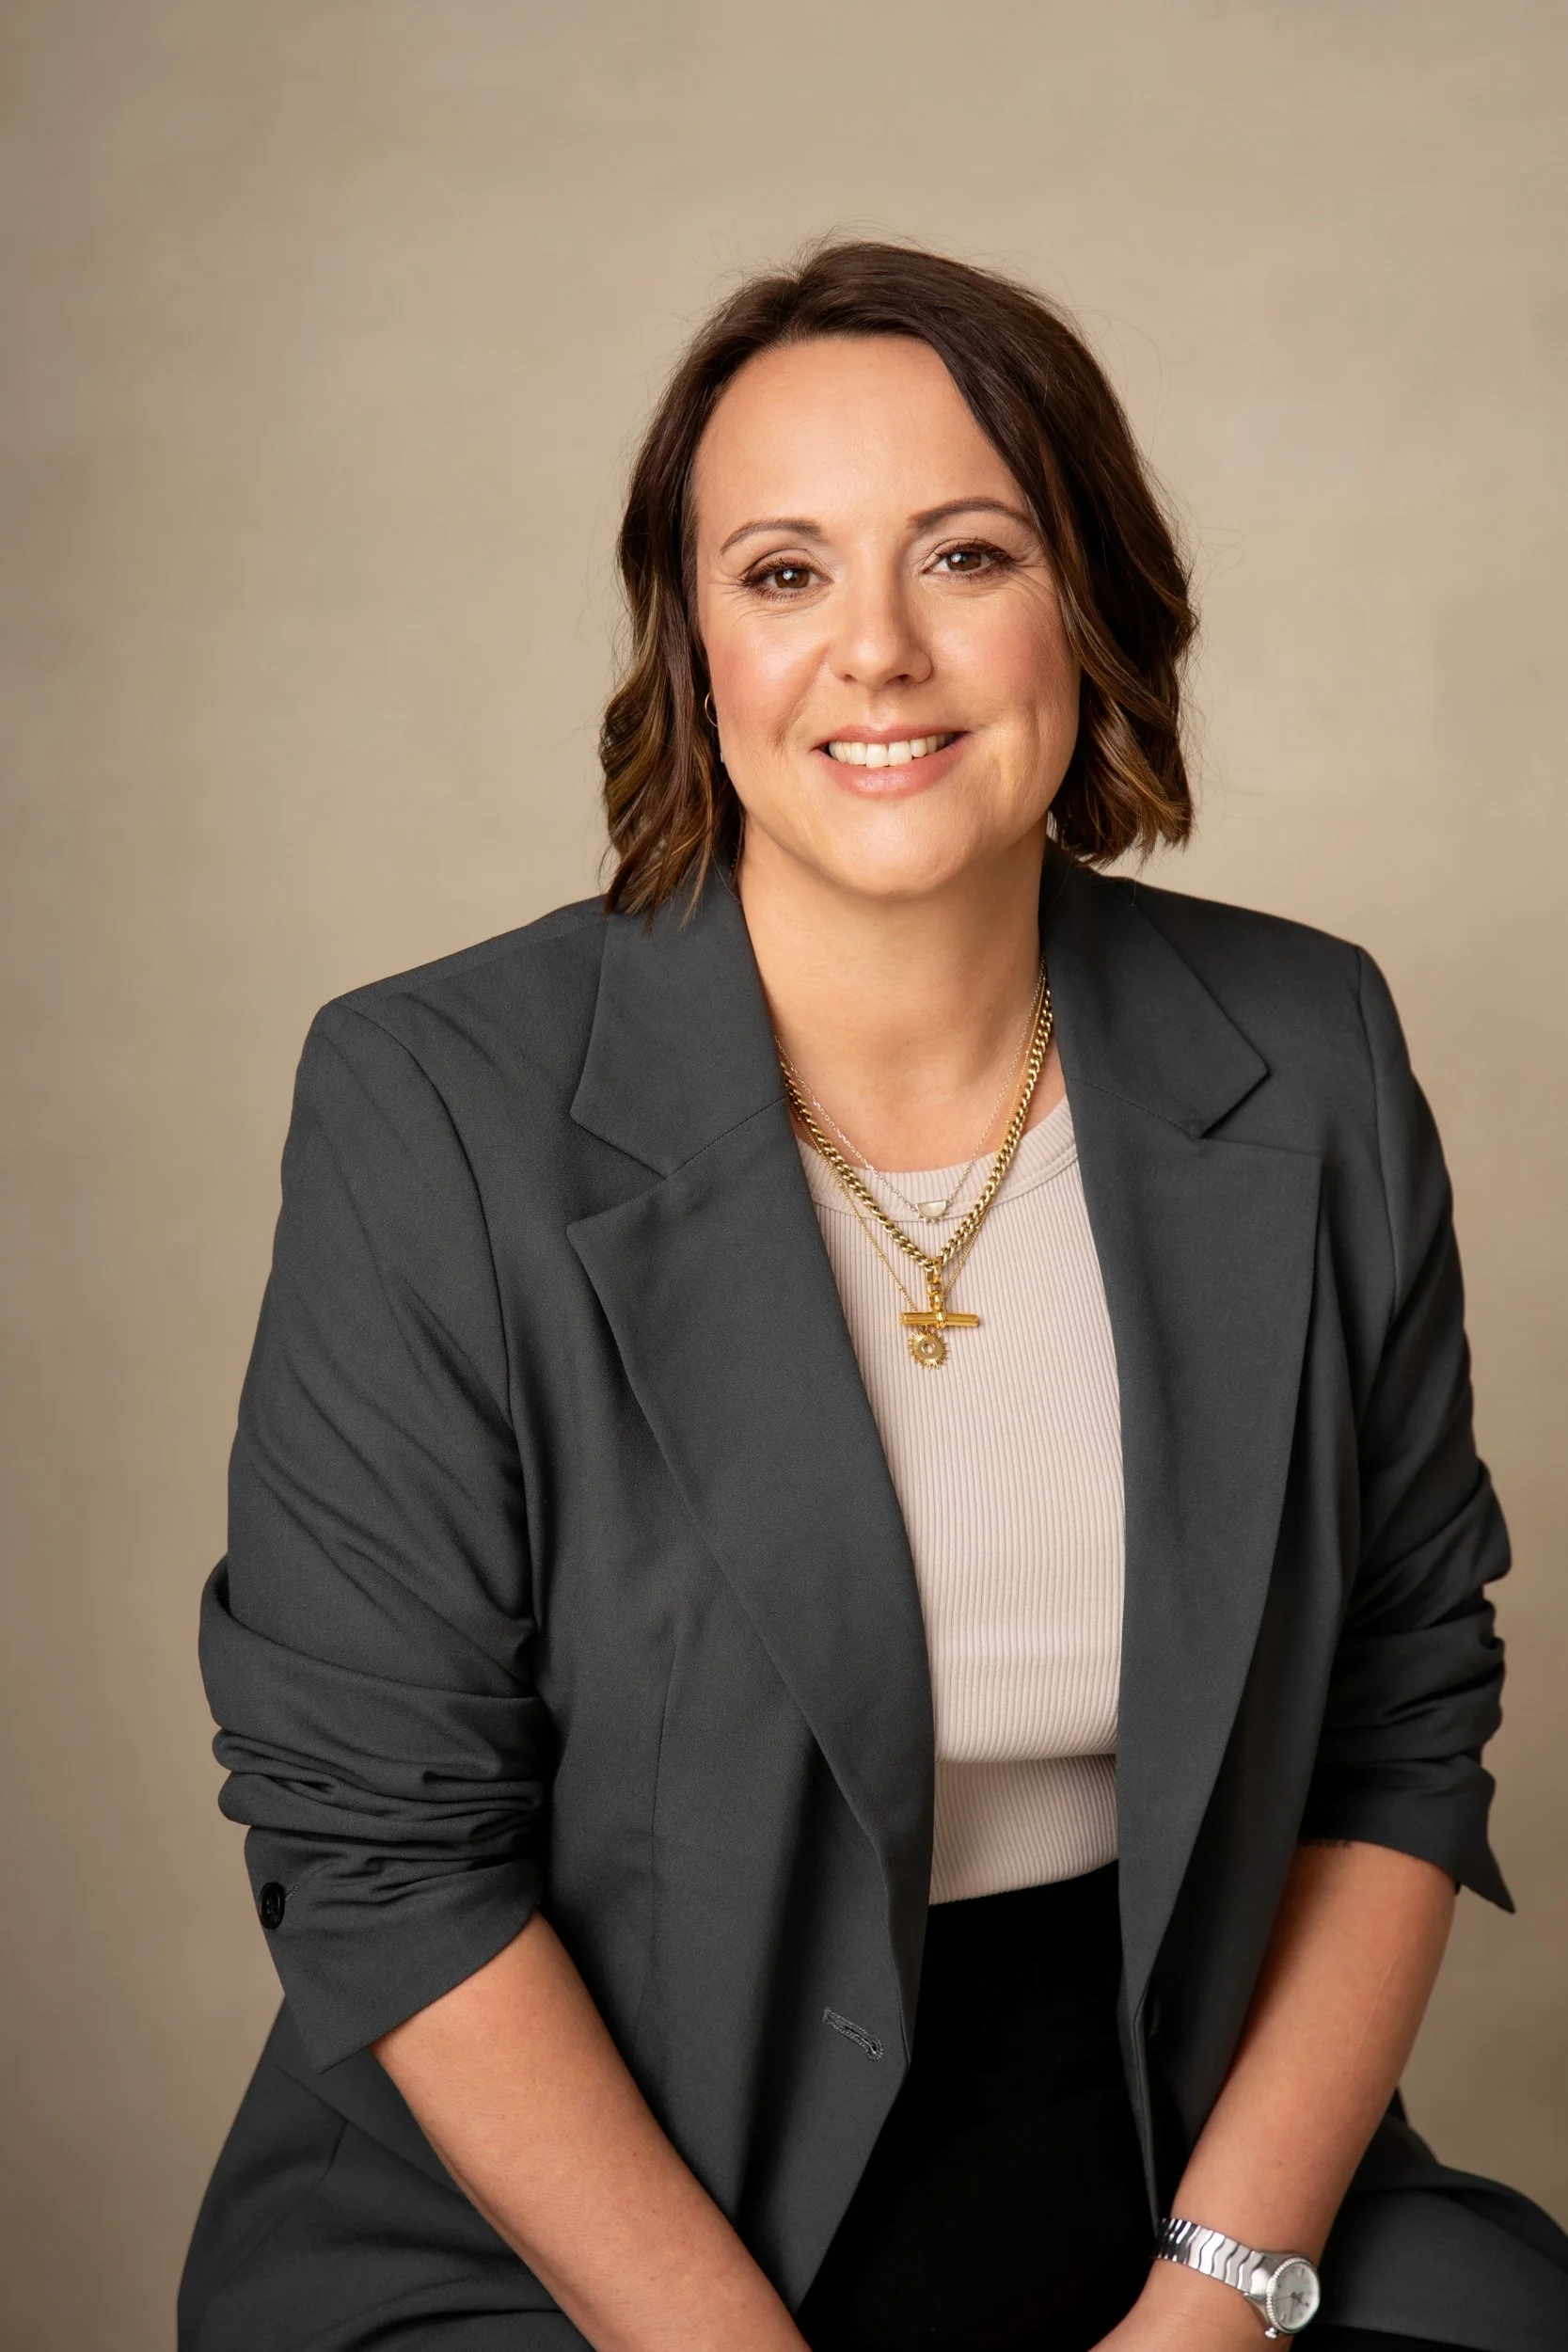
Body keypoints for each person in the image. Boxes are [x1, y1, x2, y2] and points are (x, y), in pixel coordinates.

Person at [179, 241, 1568, 2352]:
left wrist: (1211, 2299)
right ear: (692, 640)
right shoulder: (435, 1101)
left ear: (1082, 600)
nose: (881, 654)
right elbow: (381, 1852)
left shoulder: (1309, 1046)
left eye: (965, 551)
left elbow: (1395, 1717)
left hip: (1169, 2148)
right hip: (581, 2213)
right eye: (783, 573)